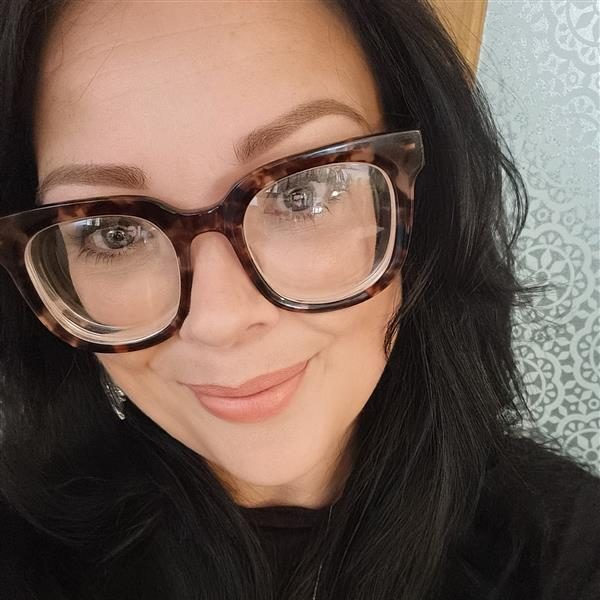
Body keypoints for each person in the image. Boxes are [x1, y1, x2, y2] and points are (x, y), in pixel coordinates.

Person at [0, 1, 598, 599]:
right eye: (113, 232)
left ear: (421, 197)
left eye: (303, 192)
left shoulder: (564, 549)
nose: (218, 320)